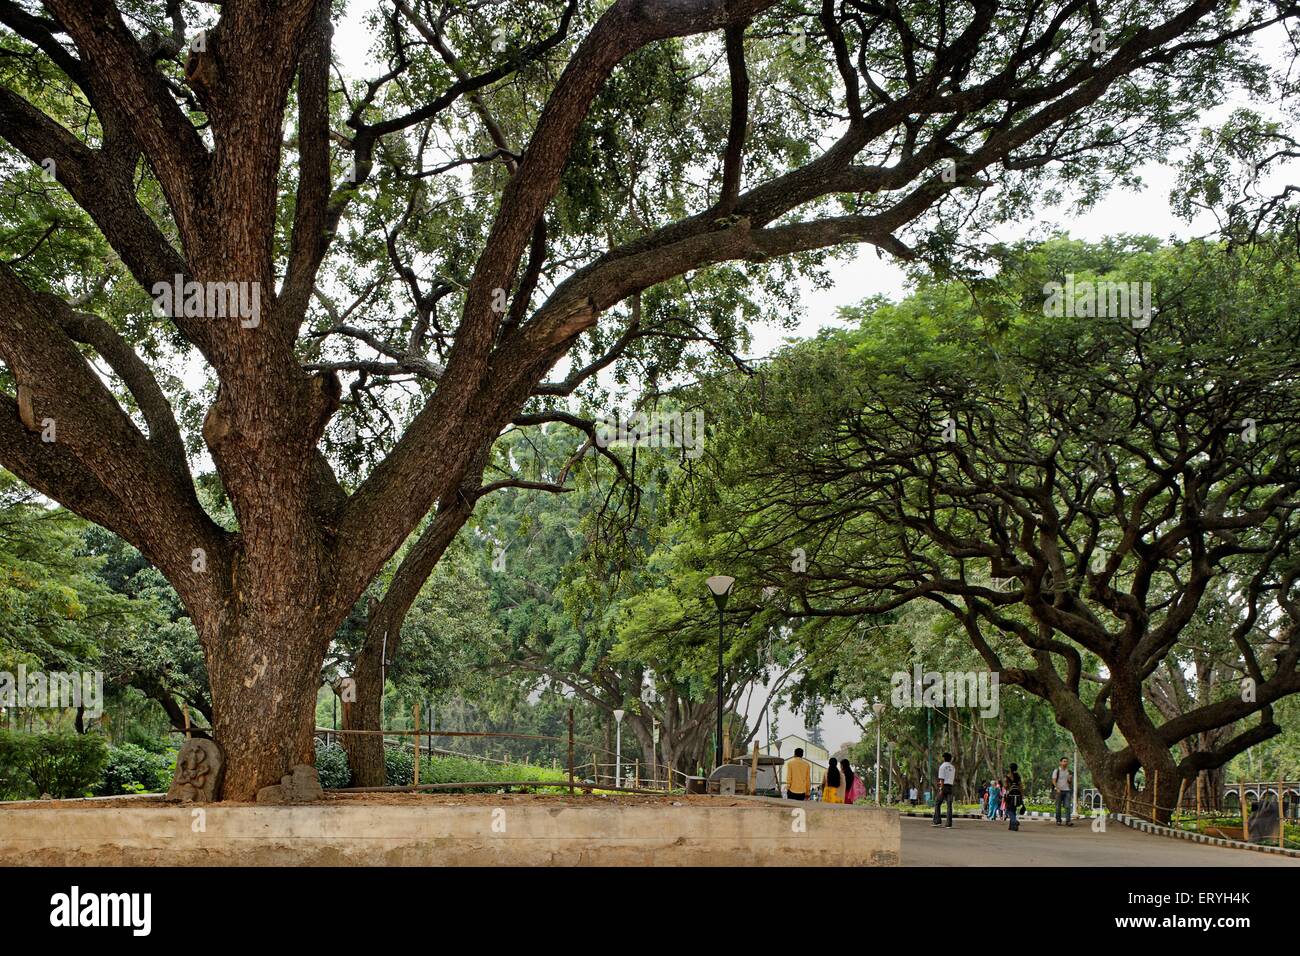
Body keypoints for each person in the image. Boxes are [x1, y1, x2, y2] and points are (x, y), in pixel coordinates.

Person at [932, 752, 955, 828]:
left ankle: (937, 821)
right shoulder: (952, 767)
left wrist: (941, 789)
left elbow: (942, 779)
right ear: (950, 759)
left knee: (937, 803)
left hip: (944, 786)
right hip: (950, 787)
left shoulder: (942, 767)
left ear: (944, 758)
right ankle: (949, 824)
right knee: (949, 806)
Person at [1052, 757, 1074, 826]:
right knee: (1058, 807)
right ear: (1060, 762)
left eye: (1066, 761)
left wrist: (1070, 779)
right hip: (1058, 791)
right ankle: (1058, 820)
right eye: (1064, 761)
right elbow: (1053, 780)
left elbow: (1069, 782)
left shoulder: (1068, 771)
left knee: (1067, 806)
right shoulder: (1056, 771)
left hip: (1067, 790)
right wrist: (1057, 788)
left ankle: (1068, 821)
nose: (1065, 763)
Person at [1005, 764, 1023, 831]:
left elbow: (1006, 786)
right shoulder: (1018, 776)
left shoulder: (1008, 776)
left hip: (1010, 795)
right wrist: (1021, 795)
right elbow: (1021, 785)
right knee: (1013, 809)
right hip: (1017, 795)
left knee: (1009, 810)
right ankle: (1012, 826)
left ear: (1010, 768)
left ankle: (1014, 822)